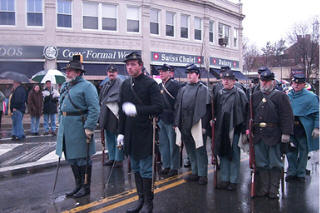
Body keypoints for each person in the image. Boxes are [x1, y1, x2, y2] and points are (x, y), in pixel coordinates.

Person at [117, 52, 162, 213]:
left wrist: (137, 110)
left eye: (133, 64)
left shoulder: (150, 84)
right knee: (135, 168)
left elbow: (158, 107)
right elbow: (121, 111)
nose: (130, 67)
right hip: (130, 133)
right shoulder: (125, 84)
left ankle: (149, 203)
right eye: (128, 65)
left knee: (146, 169)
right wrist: (120, 133)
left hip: (145, 131)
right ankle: (140, 200)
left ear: (140, 65)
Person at [56, 55, 100, 198]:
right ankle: (77, 185)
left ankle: (85, 187)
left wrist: (89, 127)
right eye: (67, 71)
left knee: (82, 159)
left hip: (80, 126)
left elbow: (94, 109)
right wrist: (60, 119)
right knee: (72, 158)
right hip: (67, 127)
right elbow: (60, 105)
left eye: (70, 71)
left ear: (79, 72)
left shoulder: (88, 87)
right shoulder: (66, 86)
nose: (67, 73)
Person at [251, 69, 293, 199]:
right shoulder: (255, 96)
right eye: (262, 81)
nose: (264, 84)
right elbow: (250, 115)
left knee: (275, 163)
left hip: (274, 135)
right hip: (259, 135)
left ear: (273, 82)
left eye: (267, 81)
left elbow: (287, 116)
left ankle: (274, 190)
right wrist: (247, 132)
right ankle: (264, 188)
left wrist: (286, 133)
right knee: (261, 163)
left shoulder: (281, 96)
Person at [174, 63, 211, 185]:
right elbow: (178, 107)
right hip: (185, 124)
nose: (189, 75)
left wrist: (204, 126)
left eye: (192, 73)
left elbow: (207, 110)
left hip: (198, 124)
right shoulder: (183, 89)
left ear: (197, 75)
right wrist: (176, 123)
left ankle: (203, 174)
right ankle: (194, 172)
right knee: (190, 150)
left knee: (200, 150)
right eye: (188, 73)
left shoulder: (204, 89)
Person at [213, 70, 248, 191]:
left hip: (235, 127)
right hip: (222, 127)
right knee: (223, 153)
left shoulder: (240, 94)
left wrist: (244, 130)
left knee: (234, 154)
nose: (226, 81)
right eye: (224, 79)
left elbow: (245, 112)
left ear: (234, 81)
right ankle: (224, 179)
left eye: (229, 79)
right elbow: (216, 109)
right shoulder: (219, 93)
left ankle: (233, 180)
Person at [286, 74, 319, 183]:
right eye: (294, 83)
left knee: (303, 150)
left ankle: (301, 173)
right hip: (290, 127)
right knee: (290, 151)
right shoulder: (288, 95)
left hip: (303, 127)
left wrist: (317, 127)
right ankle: (292, 171)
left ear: (304, 84)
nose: (296, 85)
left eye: (299, 83)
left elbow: (317, 113)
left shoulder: (311, 97)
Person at [158, 64, 181, 177]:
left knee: (173, 145)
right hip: (162, 118)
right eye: (160, 71)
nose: (161, 73)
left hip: (171, 119)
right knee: (163, 144)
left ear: (169, 72)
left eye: (163, 71)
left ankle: (174, 167)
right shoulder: (160, 85)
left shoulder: (175, 85)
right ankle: (166, 165)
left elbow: (178, 104)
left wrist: (176, 122)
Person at [99, 65, 124, 168]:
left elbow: (121, 97)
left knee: (118, 137)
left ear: (116, 72)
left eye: (113, 71)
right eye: (109, 72)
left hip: (116, 114)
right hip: (106, 114)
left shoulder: (121, 84)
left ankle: (119, 159)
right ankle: (112, 157)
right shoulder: (106, 84)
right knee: (109, 137)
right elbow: (101, 98)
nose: (111, 73)